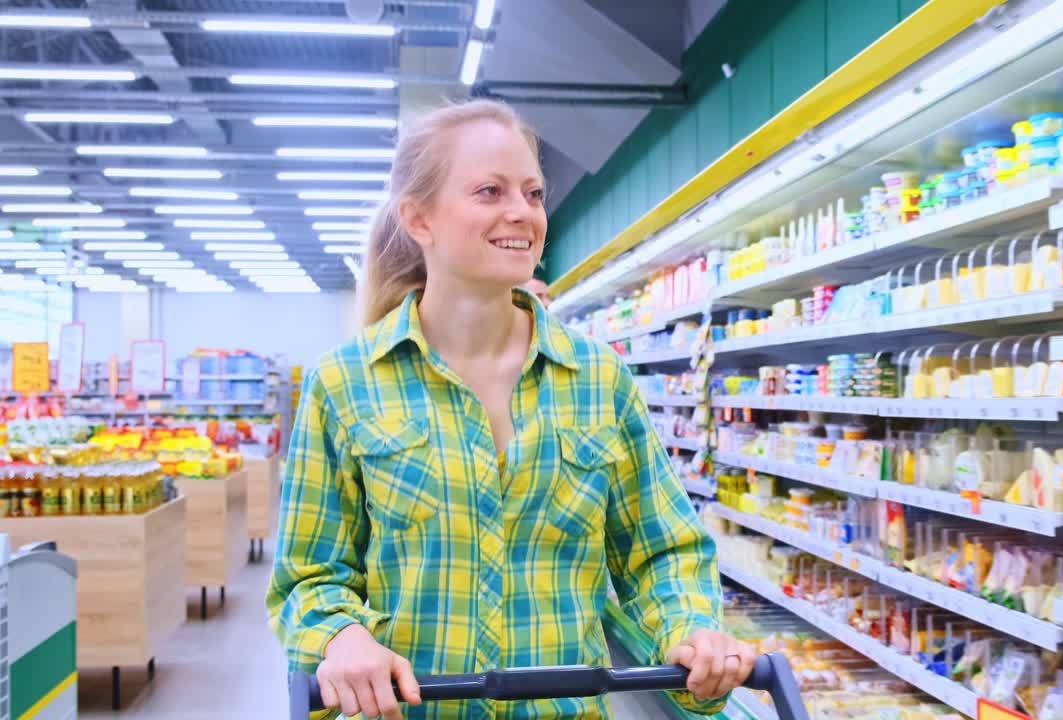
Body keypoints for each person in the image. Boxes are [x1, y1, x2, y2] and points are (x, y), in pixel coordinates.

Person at [266, 99, 754, 720]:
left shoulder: (598, 380)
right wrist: (342, 635)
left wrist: (692, 629)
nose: (521, 213)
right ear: (419, 218)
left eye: (533, 192)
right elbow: (309, 576)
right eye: (490, 191)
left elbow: (662, 552)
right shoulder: (345, 384)